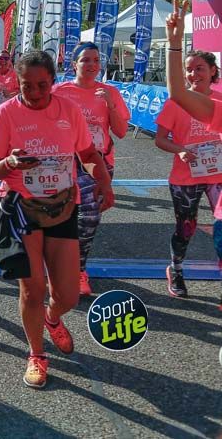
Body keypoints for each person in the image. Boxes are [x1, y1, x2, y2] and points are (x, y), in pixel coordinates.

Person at [0, 50, 113, 389]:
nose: (36, 93)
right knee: (33, 289)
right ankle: (37, 354)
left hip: (62, 207)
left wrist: (103, 181)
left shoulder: (68, 110)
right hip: (22, 208)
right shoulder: (6, 114)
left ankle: (53, 318)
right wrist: (9, 163)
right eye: (28, 86)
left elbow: (87, 152)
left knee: (68, 295)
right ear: (19, 83)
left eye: (43, 85)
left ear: (53, 82)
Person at [52, 43, 130, 296]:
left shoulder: (109, 92)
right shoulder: (60, 91)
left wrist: (110, 105)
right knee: (71, 216)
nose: (92, 65)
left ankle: (77, 269)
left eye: (96, 60)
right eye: (86, 60)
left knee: (90, 219)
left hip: (99, 163)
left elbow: (120, 131)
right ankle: (66, 266)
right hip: (68, 162)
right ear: (74, 64)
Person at [162, 0, 222, 306]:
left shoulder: (220, 98)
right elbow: (161, 139)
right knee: (186, 228)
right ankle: (177, 269)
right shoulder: (177, 101)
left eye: (200, 68)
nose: (194, 73)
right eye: (189, 69)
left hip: (217, 175)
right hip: (186, 176)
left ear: (213, 70)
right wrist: (181, 150)